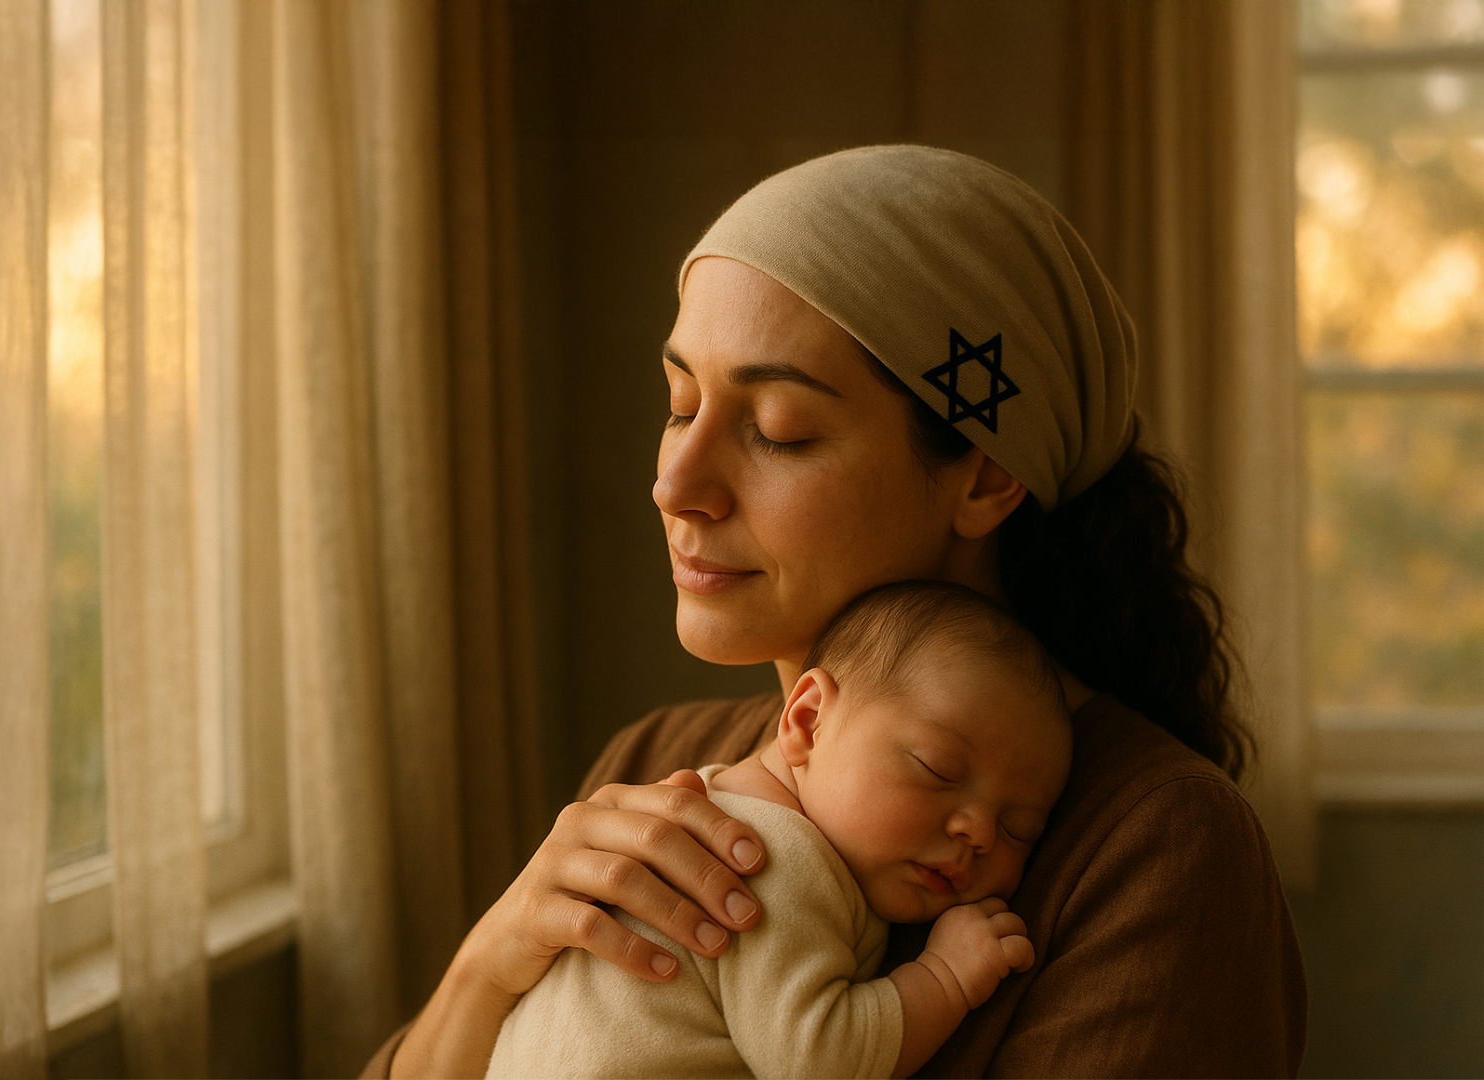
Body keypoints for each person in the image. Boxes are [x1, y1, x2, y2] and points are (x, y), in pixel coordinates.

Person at [370, 145, 1306, 1079]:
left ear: (985, 474)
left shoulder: (1151, 850)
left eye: (777, 430)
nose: (674, 485)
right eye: (678, 404)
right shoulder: (657, 770)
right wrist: (489, 967)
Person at [485, 581, 1072, 1079]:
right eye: (938, 769)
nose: (979, 831)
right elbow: (814, 1060)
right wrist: (944, 978)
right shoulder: (773, 857)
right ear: (809, 721)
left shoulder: (716, 794)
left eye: (1019, 829)